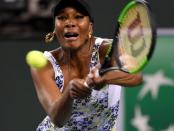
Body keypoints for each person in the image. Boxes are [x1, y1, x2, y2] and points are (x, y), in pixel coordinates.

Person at [29, 0, 143, 130]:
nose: (70, 23)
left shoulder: (108, 50)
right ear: (55, 28)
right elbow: (58, 119)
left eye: (78, 17)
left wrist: (105, 78)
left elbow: (137, 76)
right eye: (62, 18)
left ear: (90, 27)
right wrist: (69, 93)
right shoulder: (45, 64)